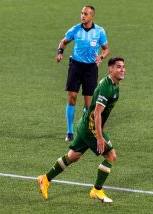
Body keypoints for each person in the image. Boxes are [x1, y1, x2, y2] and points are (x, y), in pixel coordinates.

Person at [37, 57, 126, 203]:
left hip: (86, 125)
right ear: (110, 69)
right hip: (89, 126)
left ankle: (45, 179)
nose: (122, 69)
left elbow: (103, 114)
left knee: (73, 156)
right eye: (118, 67)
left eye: (123, 66)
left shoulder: (115, 86)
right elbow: (97, 113)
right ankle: (97, 190)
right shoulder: (106, 86)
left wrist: (101, 130)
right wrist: (99, 136)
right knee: (111, 156)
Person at [57, 5, 110, 142]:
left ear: (92, 16)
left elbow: (106, 49)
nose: (82, 16)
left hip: (91, 69)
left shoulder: (99, 31)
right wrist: (60, 53)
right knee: (72, 97)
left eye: (85, 14)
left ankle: (83, 129)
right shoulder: (75, 29)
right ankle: (69, 132)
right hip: (76, 66)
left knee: (88, 104)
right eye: (81, 13)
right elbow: (63, 42)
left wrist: (101, 57)